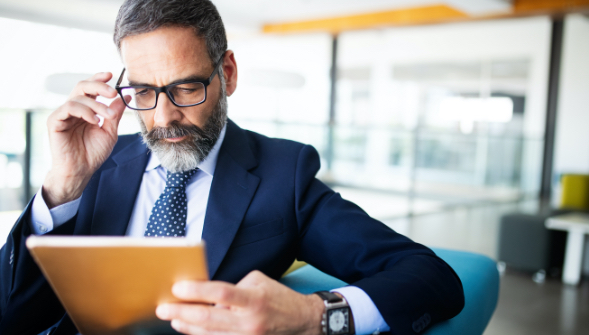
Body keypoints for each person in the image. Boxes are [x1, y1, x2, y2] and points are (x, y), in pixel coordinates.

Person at [0, 1, 464, 334]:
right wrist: (64, 184)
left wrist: (310, 317)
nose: (163, 118)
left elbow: (429, 277)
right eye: (142, 92)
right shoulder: (95, 165)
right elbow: (14, 315)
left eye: (185, 88)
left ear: (228, 73)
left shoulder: (284, 175)